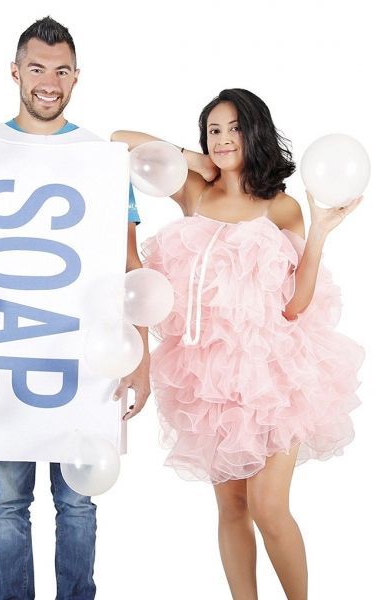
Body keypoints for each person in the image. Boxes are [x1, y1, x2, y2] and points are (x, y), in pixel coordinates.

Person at [0, 17, 150, 600]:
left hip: (81, 361)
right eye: (37, 68)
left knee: (78, 502)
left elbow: (131, 265)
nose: (49, 81)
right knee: (9, 504)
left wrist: (142, 356)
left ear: (76, 77)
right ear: (15, 72)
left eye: (61, 70)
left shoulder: (101, 160)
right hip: (0, 359)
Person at [112, 88, 364, 600]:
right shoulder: (194, 193)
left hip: (273, 378)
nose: (224, 139)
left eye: (233, 128)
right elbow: (120, 141)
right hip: (210, 380)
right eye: (214, 130)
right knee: (231, 508)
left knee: (269, 508)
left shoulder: (281, 207)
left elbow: (296, 306)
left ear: (256, 132)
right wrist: (194, 159)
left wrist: (318, 233)